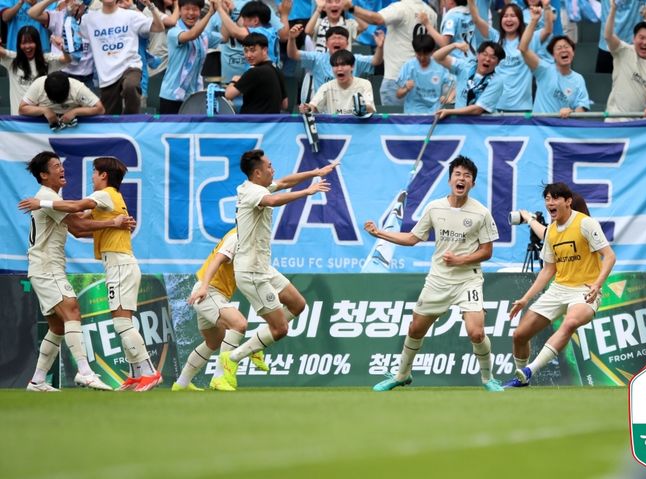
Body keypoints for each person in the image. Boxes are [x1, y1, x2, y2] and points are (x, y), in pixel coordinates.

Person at [19, 157, 163, 392]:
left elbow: (79, 220)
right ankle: (85, 372)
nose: (62, 169)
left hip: (105, 264)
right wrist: (113, 223)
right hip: (48, 266)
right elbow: (78, 227)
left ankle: (39, 380)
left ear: (104, 175)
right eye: (56, 166)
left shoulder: (61, 198)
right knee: (71, 314)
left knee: (68, 324)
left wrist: (113, 223)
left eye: (94, 172)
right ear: (44, 175)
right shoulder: (51, 197)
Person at [365, 155, 504, 392]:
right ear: (450, 179)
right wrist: (379, 233)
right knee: (415, 329)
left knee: (476, 332)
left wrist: (460, 259)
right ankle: (402, 375)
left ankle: (488, 379)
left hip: (468, 279)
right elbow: (412, 238)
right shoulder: (434, 207)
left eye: (467, 176)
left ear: (473, 184)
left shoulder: (481, 213)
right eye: (458, 174)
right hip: (438, 280)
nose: (462, 179)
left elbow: (487, 251)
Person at [217, 149, 338, 386]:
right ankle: (233, 358)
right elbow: (272, 200)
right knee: (280, 329)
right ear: (257, 172)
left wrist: (317, 172)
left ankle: (258, 342)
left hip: (263, 267)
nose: (274, 170)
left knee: (298, 304)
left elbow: (283, 182)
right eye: (270, 166)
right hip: (251, 272)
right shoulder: (252, 191)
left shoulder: (259, 186)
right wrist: (308, 191)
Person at [504, 182, 616, 387]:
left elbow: (609, 256)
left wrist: (597, 284)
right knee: (520, 335)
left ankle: (530, 371)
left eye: (555, 198)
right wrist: (525, 299)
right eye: (547, 199)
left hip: (585, 290)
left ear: (568, 201)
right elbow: (548, 270)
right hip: (558, 289)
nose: (550, 203)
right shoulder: (551, 232)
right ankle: (521, 378)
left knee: (570, 322)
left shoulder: (585, 223)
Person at [175, 227, 269, 392]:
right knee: (239, 324)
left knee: (213, 341)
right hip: (208, 292)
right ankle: (219, 377)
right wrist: (204, 287)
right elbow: (217, 260)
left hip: (214, 294)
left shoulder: (248, 239)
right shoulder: (237, 237)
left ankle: (181, 384)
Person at [79, 0, 165, 114]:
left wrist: (151, 6)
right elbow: (75, 34)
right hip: (107, 75)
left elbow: (159, 27)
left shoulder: (130, 15)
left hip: (130, 67)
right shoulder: (88, 19)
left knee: (131, 87)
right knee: (109, 116)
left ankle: (129, 122)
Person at [346, 0, 437, 107]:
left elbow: (377, 19)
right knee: (419, 121)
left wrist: (351, 8)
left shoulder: (400, 8)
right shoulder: (432, 13)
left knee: (394, 123)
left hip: (396, 78)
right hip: (422, 79)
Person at [468, 0, 553, 112]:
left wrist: (546, 6)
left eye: (513, 16)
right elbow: (476, 20)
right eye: (505, 16)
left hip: (522, 108)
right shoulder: (495, 37)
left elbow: (548, 30)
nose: (508, 19)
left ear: (520, 20)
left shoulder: (528, 39)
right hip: (496, 107)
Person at [519, 6, 590, 117]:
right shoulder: (544, 70)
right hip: (539, 127)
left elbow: (582, 107)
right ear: (553, 55)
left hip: (560, 130)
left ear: (573, 52)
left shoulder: (578, 79)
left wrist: (572, 112)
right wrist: (533, 20)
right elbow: (523, 48)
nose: (563, 50)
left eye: (566, 47)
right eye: (559, 48)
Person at [605, 0, 646, 118]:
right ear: (634, 39)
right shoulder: (622, 51)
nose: (645, 42)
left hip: (639, 123)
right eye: (641, 37)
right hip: (614, 119)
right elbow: (608, 36)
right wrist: (613, 9)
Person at [287, 24, 383, 99]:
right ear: (326, 43)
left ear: (347, 43)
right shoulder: (317, 58)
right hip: (323, 109)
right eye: (333, 38)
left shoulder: (355, 59)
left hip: (348, 110)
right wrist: (291, 39)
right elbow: (293, 54)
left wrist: (380, 47)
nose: (337, 41)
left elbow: (376, 61)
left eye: (340, 38)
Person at [158, 0, 220, 114]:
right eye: (187, 9)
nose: (191, 13)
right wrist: (210, 13)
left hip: (194, 95)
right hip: (172, 95)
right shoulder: (174, 31)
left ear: (200, 11)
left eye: (195, 9)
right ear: (180, 11)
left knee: (193, 132)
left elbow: (224, 37)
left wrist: (222, 10)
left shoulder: (203, 35)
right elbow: (191, 35)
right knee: (171, 132)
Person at [0, 25, 69, 115]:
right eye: (23, 43)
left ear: (37, 43)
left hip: (41, 121)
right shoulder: (13, 60)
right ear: (19, 45)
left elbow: (67, 59)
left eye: (31, 42)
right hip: (18, 121)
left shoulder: (47, 60)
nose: (27, 46)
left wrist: (62, 48)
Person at [435, 41, 505, 117]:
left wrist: (450, 112)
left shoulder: (497, 81)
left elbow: (477, 109)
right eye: (485, 54)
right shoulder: (464, 67)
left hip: (482, 126)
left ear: (498, 63)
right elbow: (437, 57)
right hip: (459, 123)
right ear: (478, 55)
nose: (487, 59)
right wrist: (454, 45)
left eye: (493, 57)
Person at [224, 32, 288, 113]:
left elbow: (228, 95)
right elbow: (284, 104)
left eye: (252, 50)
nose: (248, 55)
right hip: (272, 123)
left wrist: (233, 81)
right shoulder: (277, 70)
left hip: (252, 123)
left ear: (264, 50)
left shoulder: (254, 72)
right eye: (246, 51)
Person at [299, 49, 376, 114]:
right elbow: (314, 107)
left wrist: (363, 107)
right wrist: (307, 108)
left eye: (343, 65)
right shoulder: (326, 87)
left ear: (352, 67)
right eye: (335, 66)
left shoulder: (364, 84)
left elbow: (370, 110)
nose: (339, 69)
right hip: (333, 129)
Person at [19, 71, 105, 129]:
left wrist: (75, 111)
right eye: (54, 101)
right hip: (43, 128)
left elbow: (100, 109)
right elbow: (22, 109)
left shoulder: (78, 88)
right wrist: (44, 110)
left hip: (75, 127)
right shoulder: (38, 84)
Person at [395, 34, 452, 114]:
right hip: (412, 113)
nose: (422, 58)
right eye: (419, 54)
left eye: (425, 54)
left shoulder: (441, 66)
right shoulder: (408, 66)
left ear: (432, 52)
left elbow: (451, 89)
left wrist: (446, 97)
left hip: (435, 113)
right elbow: (398, 95)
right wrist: (406, 89)